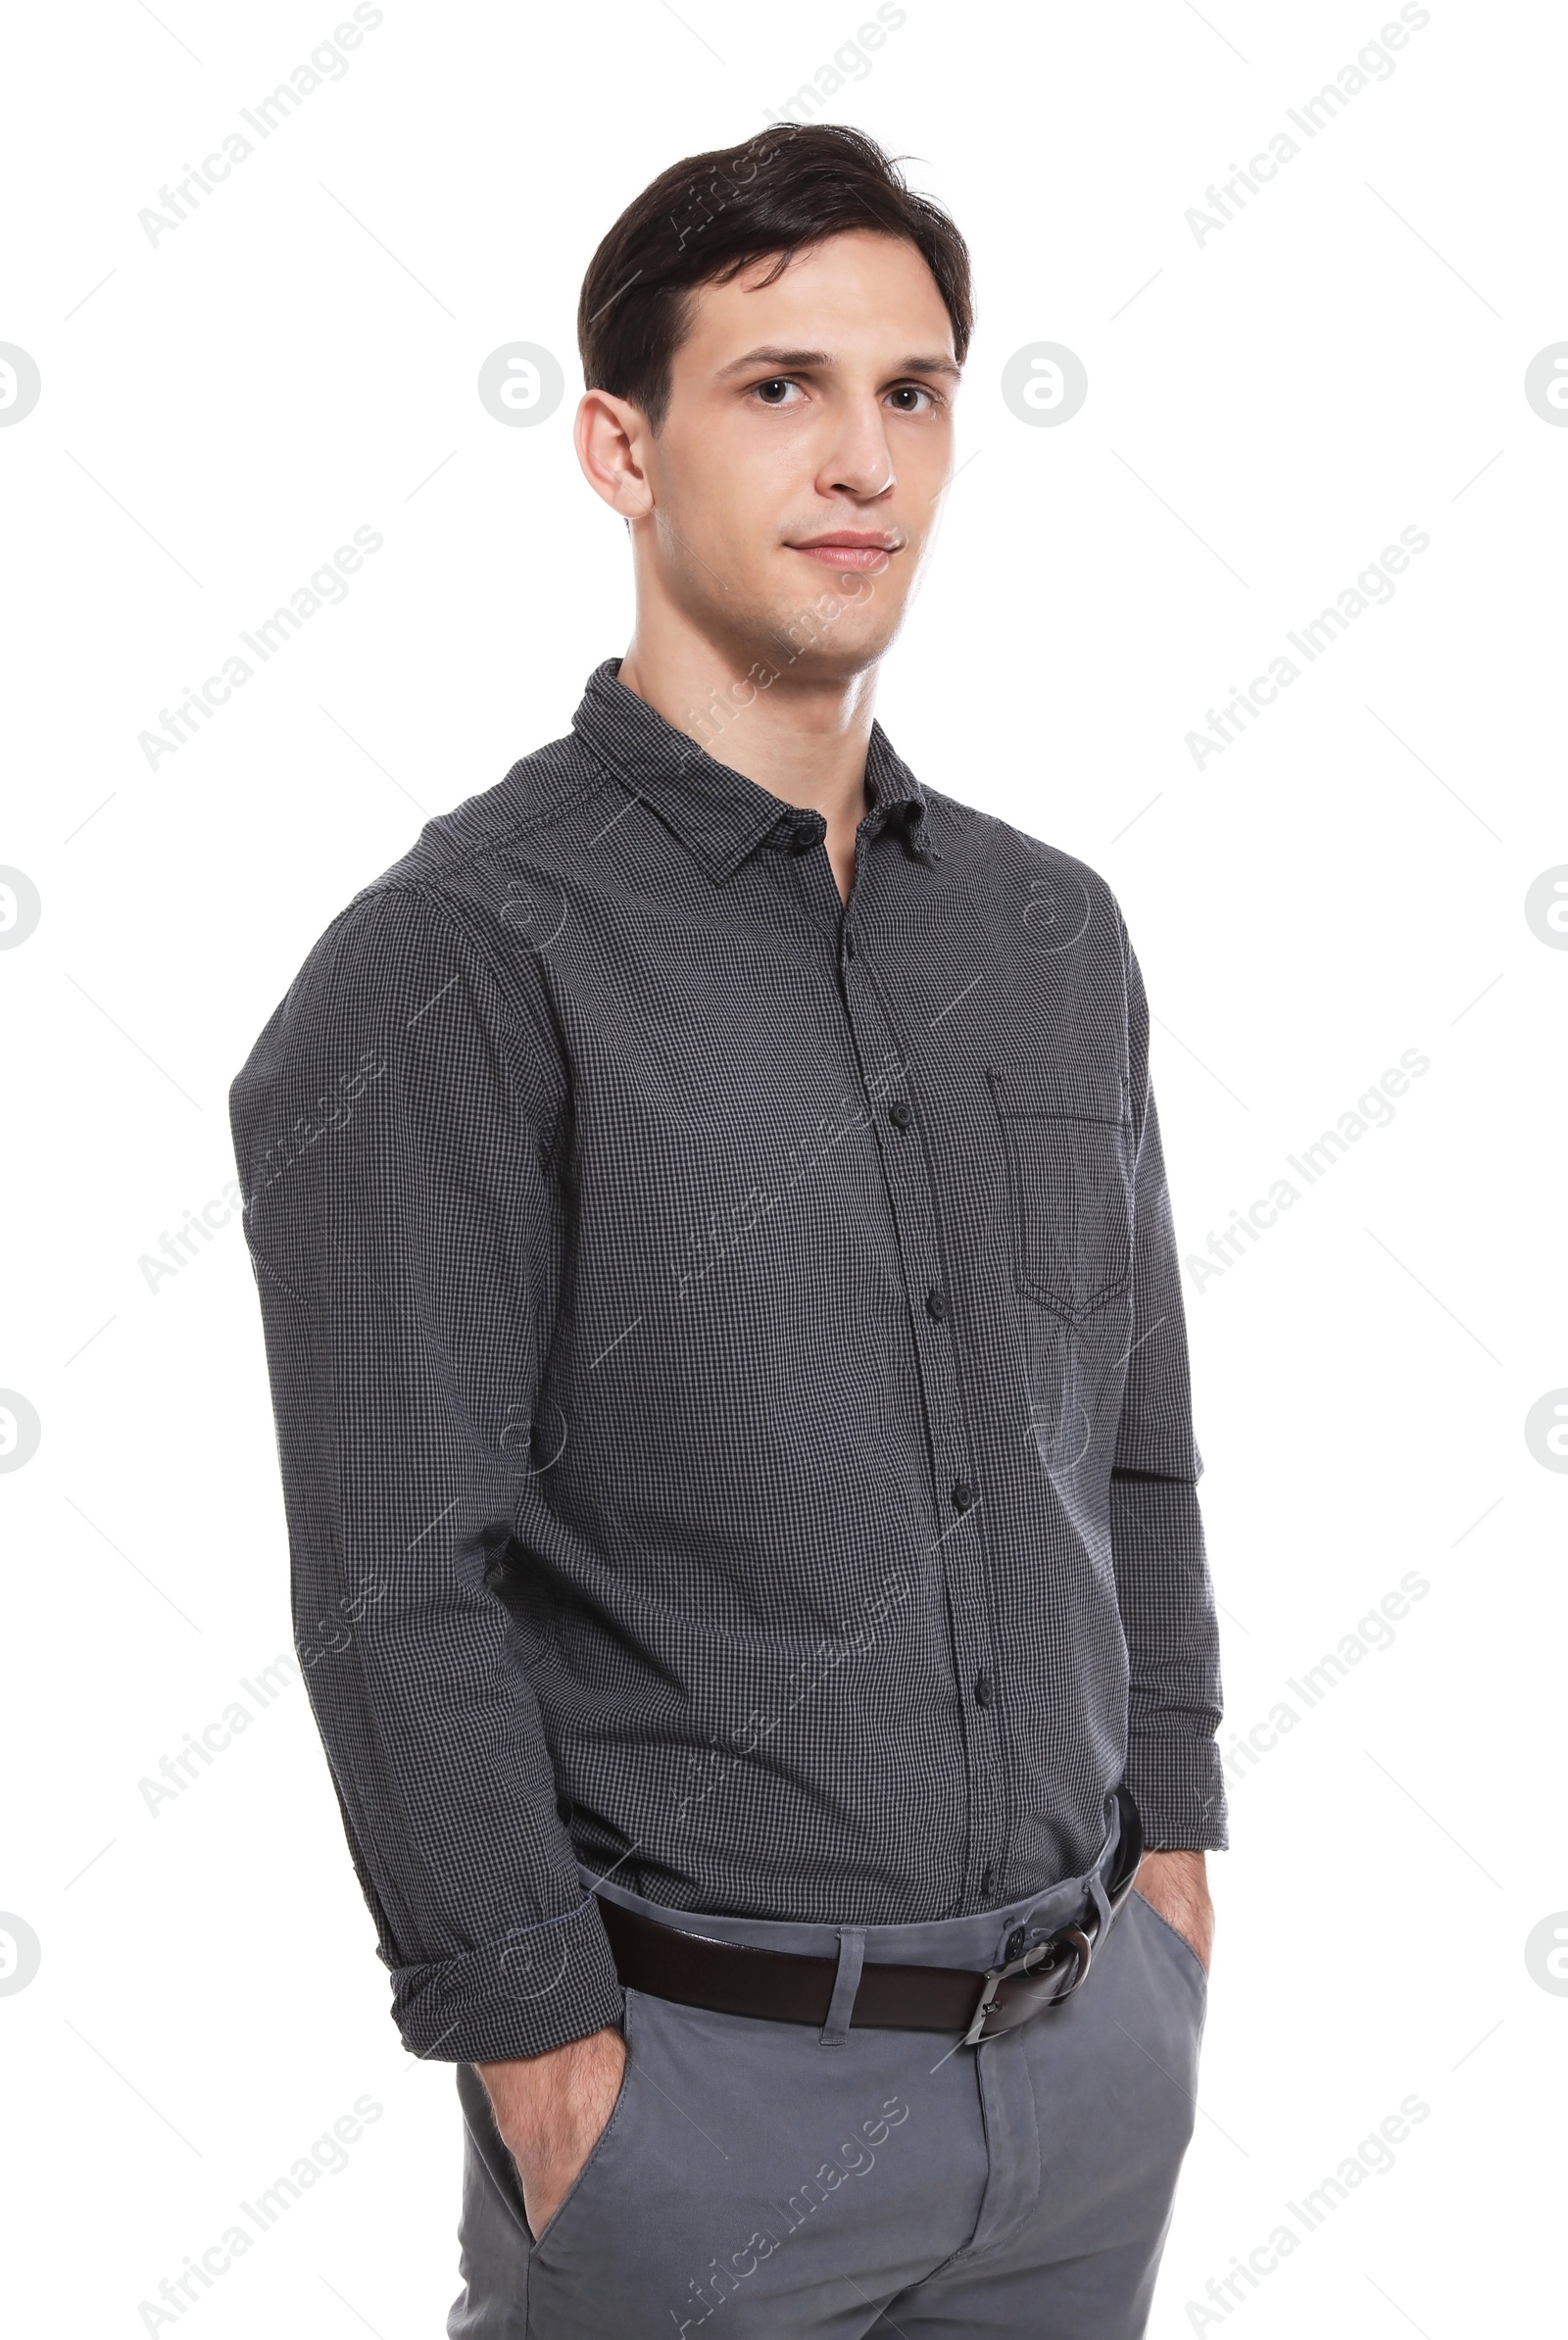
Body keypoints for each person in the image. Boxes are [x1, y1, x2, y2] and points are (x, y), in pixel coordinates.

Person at [229, 122, 1227, 2340]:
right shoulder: (457, 963)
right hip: (694, 2129)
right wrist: (548, 2071)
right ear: (617, 444)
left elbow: (1126, 1444)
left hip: (1086, 2093)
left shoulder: (1051, 936)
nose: (856, 457)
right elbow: (397, 1588)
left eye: (911, 391)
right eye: (775, 387)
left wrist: (1172, 1867)